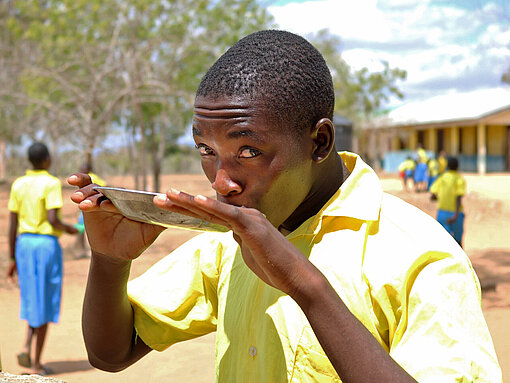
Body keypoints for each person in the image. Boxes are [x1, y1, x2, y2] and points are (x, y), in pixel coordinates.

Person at [68, 30, 502, 382]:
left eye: (249, 152)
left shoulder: (422, 258)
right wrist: (109, 261)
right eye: (206, 150)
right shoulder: (226, 244)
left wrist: (305, 287)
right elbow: (112, 352)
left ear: (319, 142)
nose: (221, 182)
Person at [8, 142, 78, 375]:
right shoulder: (50, 183)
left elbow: (12, 224)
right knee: (45, 300)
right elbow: (51, 219)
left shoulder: (19, 184)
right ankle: (37, 364)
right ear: (47, 159)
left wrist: (11, 259)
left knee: (32, 298)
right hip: (45, 247)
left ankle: (26, 345)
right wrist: (69, 229)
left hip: (24, 245)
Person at [430, 157, 466, 247]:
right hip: (455, 214)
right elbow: (458, 197)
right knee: (458, 242)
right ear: (457, 167)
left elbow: (433, 194)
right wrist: (456, 215)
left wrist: (440, 197)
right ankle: (461, 261)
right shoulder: (459, 179)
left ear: (447, 166)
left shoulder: (442, 178)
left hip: (442, 213)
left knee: (443, 242)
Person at [74, 162, 106, 258]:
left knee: (88, 229)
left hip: (90, 206)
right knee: (81, 229)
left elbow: (103, 186)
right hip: (83, 207)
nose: (82, 170)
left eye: (84, 168)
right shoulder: (81, 178)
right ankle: (81, 250)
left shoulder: (92, 177)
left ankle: (88, 251)